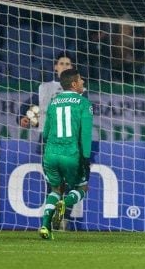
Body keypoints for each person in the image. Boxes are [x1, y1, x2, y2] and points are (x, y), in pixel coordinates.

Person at [38, 69, 93, 239]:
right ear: (74, 84)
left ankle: (45, 227)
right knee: (82, 187)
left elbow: (45, 133)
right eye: (81, 79)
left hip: (51, 153)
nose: (83, 81)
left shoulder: (54, 102)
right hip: (71, 153)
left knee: (55, 189)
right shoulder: (84, 103)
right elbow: (85, 134)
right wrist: (85, 157)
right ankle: (65, 203)